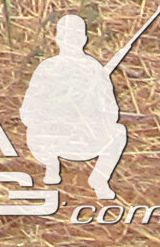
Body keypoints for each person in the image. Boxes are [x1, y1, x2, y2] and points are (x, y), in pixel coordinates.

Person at [21, 15, 130, 200]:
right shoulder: (48, 68)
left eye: (75, 37)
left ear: (84, 40)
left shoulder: (94, 70)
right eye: (68, 37)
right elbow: (28, 112)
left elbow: (111, 112)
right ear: (58, 39)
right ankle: (51, 165)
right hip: (52, 140)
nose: (71, 42)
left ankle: (99, 179)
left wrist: (89, 110)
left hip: (85, 140)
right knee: (35, 131)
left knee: (118, 132)